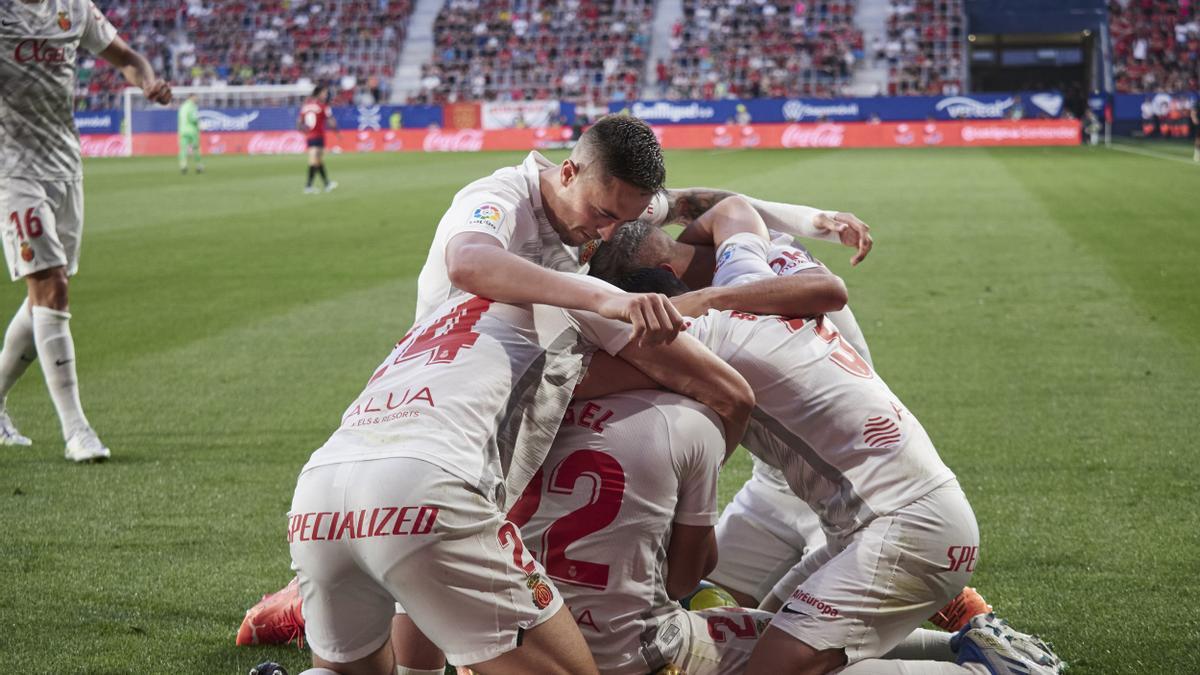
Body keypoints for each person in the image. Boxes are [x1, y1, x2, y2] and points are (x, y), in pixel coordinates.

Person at [589, 206, 1064, 675]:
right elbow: (732, 209)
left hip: (901, 523)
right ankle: (975, 649)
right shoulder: (749, 283)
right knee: (760, 640)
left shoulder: (690, 338)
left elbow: (567, 377)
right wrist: (679, 235)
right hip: (891, 512)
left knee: (774, 668)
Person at [285, 280, 754, 675]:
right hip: (432, 491)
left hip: (319, 489)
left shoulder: (434, 319)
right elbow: (728, 391)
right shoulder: (578, 304)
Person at [0, 0, 171, 461]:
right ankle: (77, 430)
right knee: (50, 285)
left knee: (47, 294)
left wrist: (148, 81)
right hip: (13, 170)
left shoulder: (73, 8)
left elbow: (128, 59)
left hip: (65, 168)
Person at [299, 85, 337, 194]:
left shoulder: (306, 106)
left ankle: (327, 184)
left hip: (310, 136)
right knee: (314, 161)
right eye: (324, 93)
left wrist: (305, 131)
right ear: (319, 93)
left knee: (318, 161)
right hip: (318, 136)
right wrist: (336, 130)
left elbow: (299, 123)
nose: (326, 95)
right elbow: (331, 122)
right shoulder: (323, 106)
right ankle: (308, 186)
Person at [177, 93, 203, 174]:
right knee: (196, 147)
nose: (196, 99)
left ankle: (183, 165)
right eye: (195, 97)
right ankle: (198, 165)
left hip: (182, 130)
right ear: (191, 97)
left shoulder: (182, 107)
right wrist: (199, 125)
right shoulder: (192, 107)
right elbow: (193, 118)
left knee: (183, 148)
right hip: (192, 130)